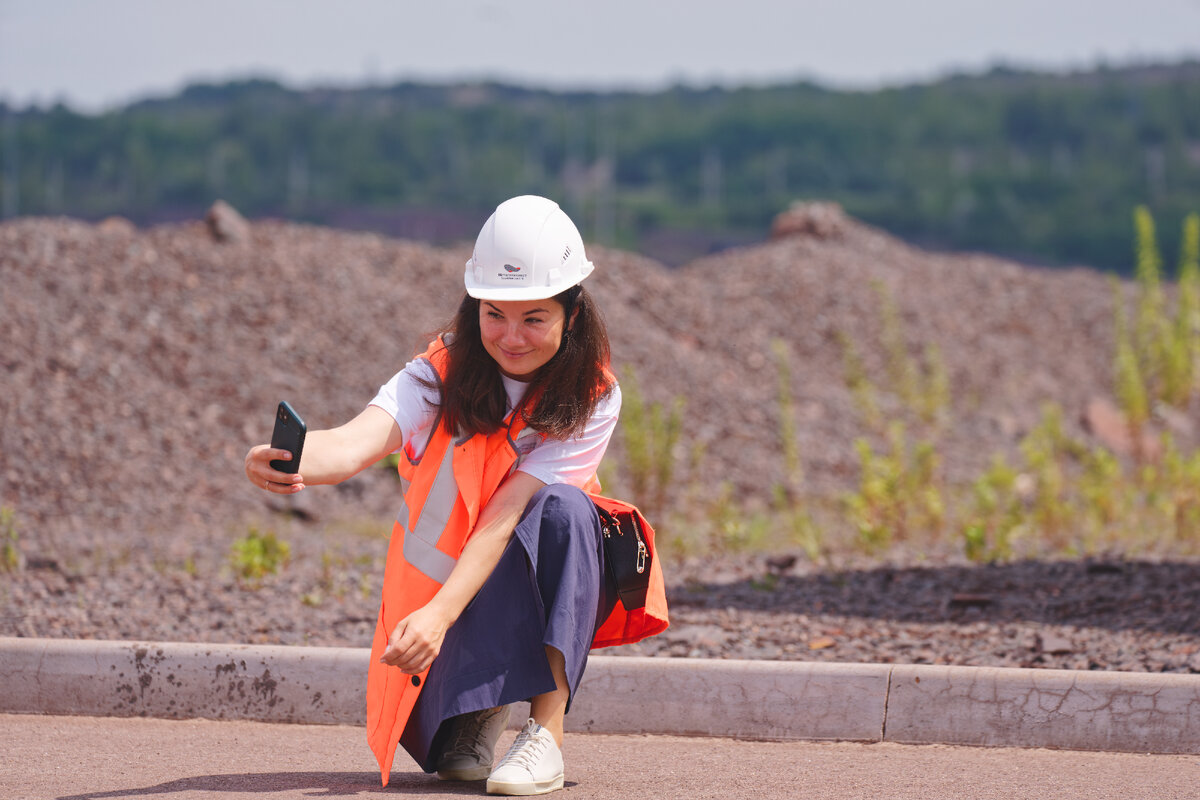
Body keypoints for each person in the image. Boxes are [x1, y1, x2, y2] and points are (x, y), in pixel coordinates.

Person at [244, 195, 667, 795]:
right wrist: (290, 460)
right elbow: (357, 441)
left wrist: (439, 618)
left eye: (534, 318)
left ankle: (546, 738)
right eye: (494, 314)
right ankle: (475, 715)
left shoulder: (594, 394)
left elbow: (506, 514)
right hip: (437, 617)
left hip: (458, 607)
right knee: (453, 767)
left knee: (567, 511)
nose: (511, 337)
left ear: (572, 314)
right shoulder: (436, 373)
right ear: (474, 308)